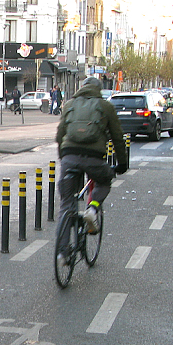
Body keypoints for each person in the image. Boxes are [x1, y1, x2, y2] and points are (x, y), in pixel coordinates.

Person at [55, 76, 128, 266]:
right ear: (98, 89)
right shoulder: (105, 106)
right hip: (94, 157)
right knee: (104, 181)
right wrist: (122, 163)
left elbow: (60, 134)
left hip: (69, 156)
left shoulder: (69, 104)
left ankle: (63, 253)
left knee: (66, 204)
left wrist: (63, 157)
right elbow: (117, 137)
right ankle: (93, 208)